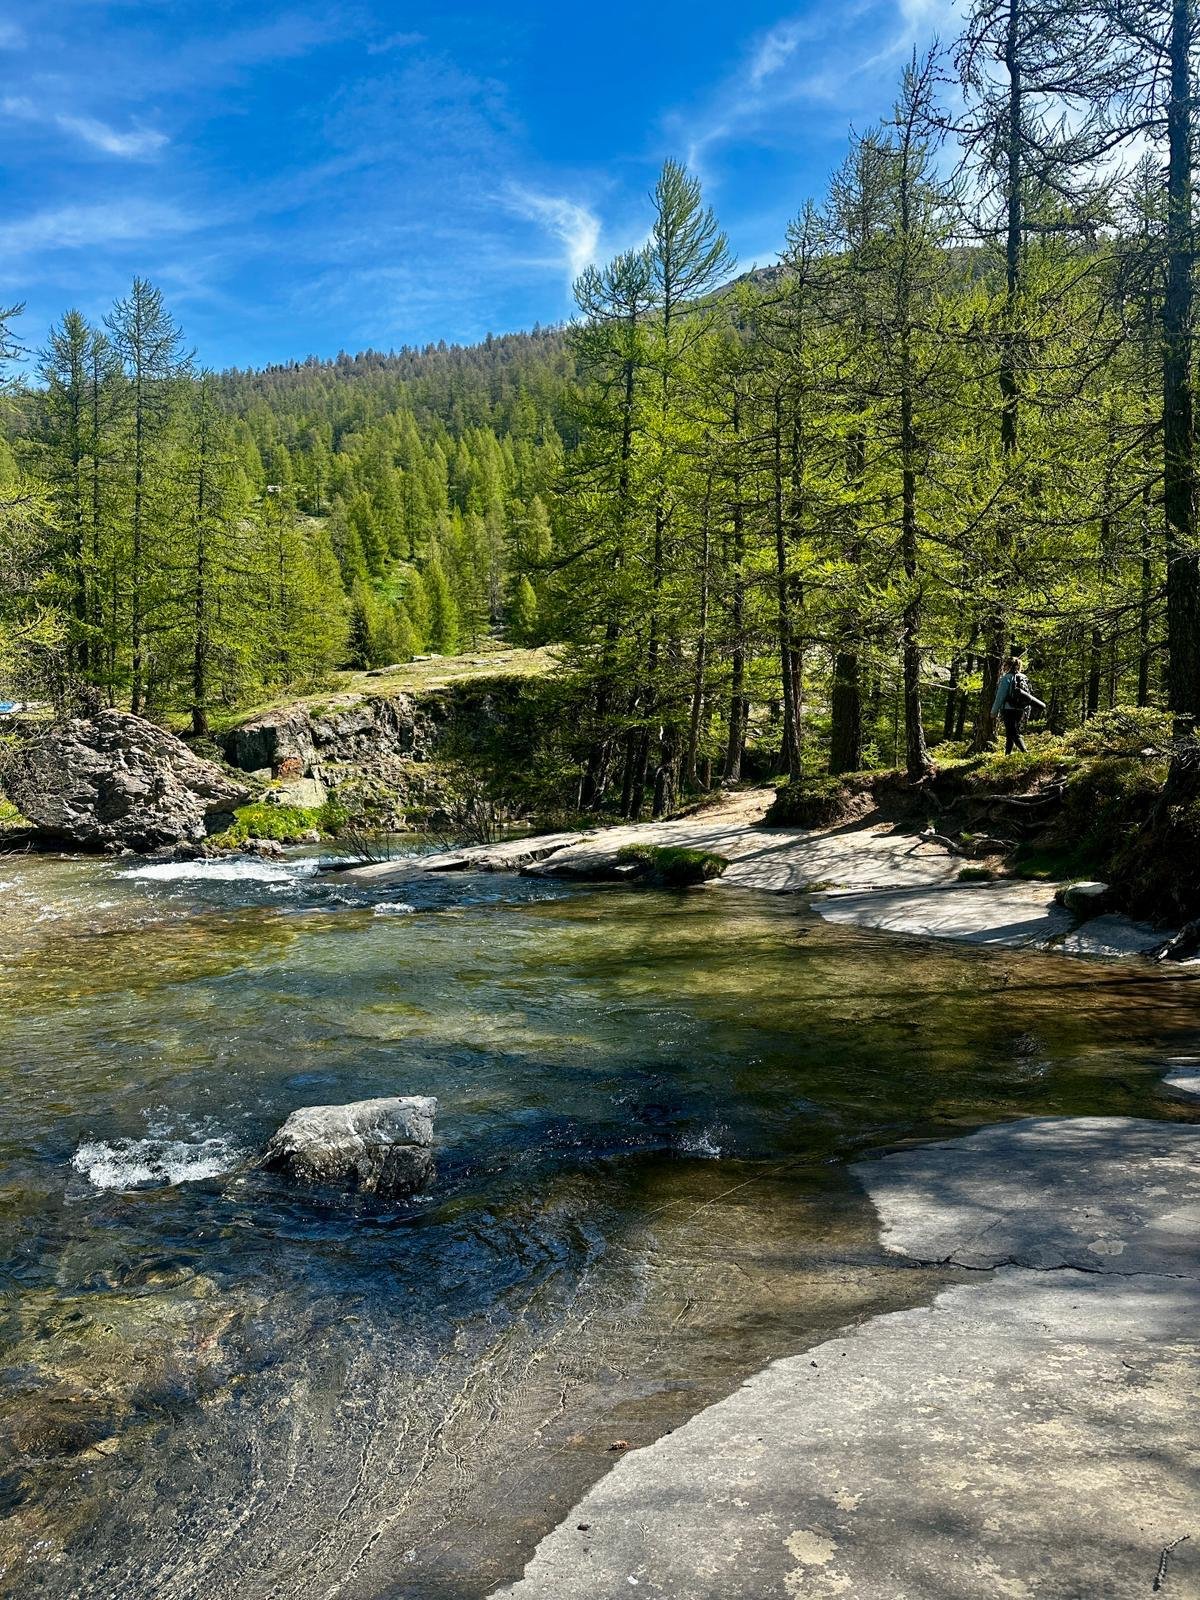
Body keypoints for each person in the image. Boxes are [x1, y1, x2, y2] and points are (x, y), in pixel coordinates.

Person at [991, 655, 1046, 755]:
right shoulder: (1024, 678)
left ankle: (1026, 753)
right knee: (1010, 733)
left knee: (1013, 733)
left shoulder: (1006, 678)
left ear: (1009, 666)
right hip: (1020, 710)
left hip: (1008, 709)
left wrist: (994, 711)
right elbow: (1028, 695)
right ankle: (1007, 755)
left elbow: (1000, 696)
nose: (1004, 667)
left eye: (1005, 665)